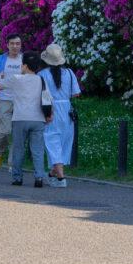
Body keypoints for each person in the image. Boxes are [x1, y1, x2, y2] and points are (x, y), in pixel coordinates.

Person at [0, 51, 53, 188]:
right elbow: (48, 98)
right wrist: (50, 114)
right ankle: (39, 177)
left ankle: (17, 177)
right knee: (37, 150)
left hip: (20, 118)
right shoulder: (41, 80)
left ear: (24, 65)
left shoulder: (16, 78)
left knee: (18, 149)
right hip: (38, 119)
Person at [38, 44, 81, 188]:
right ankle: (52, 174)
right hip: (67, 110)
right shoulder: (69, 73)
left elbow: (40, 94)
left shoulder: (42, 74)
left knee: (52, 141)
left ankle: (61, 178)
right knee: (63, 142)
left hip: (50, 109)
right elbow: (76, 93)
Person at [0, 34, 23, 169]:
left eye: (18, 43)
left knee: (17, 132)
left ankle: (12, 163)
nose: (15, 46)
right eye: (12, 43)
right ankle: (0, 153)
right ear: (7, 45)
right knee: (5, 131)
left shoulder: (23, 59)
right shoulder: (0, 60)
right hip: (3, 99)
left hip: (20, 100)